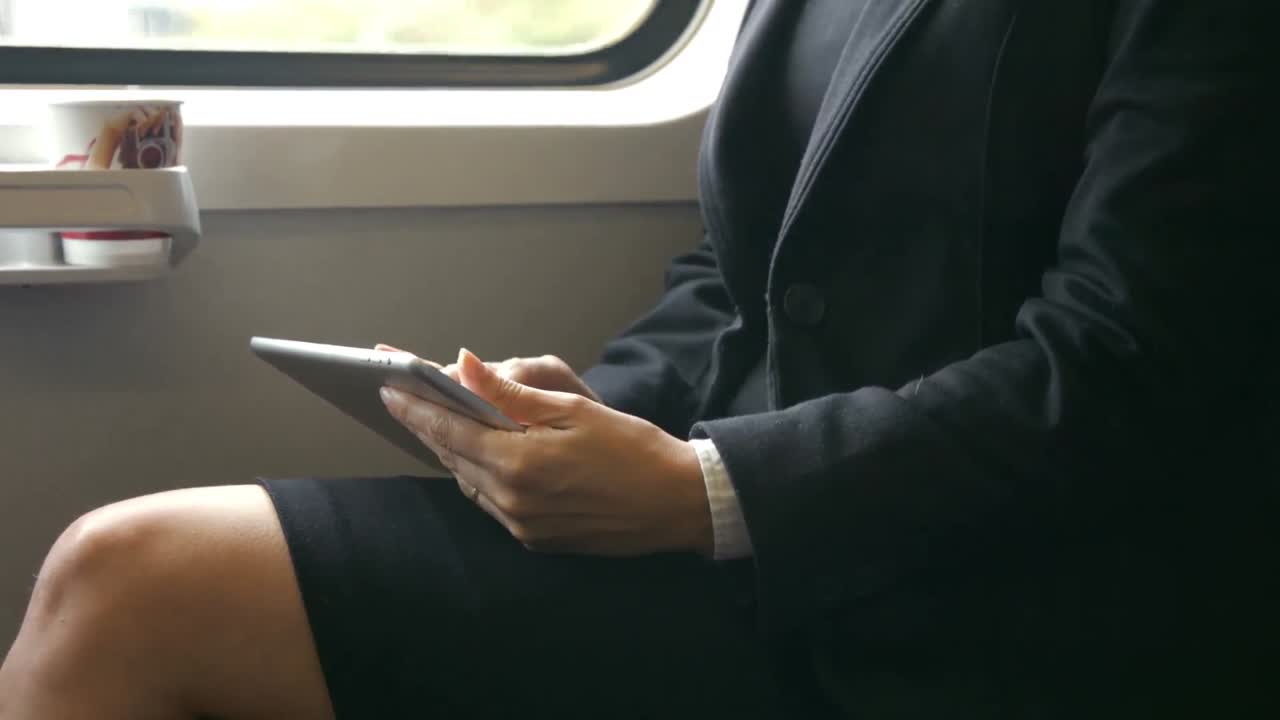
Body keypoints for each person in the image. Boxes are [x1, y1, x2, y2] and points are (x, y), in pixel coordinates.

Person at [1, 1, 1273, 717]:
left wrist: (711, 494)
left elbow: (1127, 365)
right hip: (745, 550)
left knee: (134, 584)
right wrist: (588, 414)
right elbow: (741, 270)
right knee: (118, 572)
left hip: (990, 605)